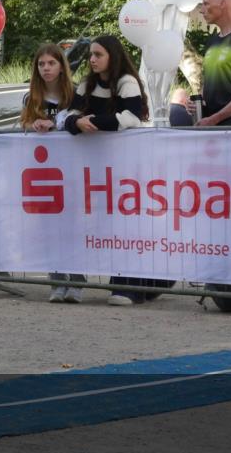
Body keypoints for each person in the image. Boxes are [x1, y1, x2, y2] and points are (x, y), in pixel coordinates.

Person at [63, 35, 154, 306]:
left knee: (125, 224)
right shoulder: (86, 84)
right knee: (96, 223)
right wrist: (77, 122)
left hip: (124, 166)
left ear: (112, 56)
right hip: (91, 168)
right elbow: (68, 115)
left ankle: (127, 286)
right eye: (91, 54)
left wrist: (91, 122)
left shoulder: (127, 83)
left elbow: (131, 118)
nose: (92, 59)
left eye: (98, 54)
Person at [21, 44, 86, 303]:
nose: (46, 68)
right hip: (44, 172)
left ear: (61, 66)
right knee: (49, 226)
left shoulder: (75, 94)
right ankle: (57, 280)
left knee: (73, 226)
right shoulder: (31, 97)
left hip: (72, 169)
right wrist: (32, 124)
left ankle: (77, 280)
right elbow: (24, 123)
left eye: (51, 63)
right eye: (41, 64)